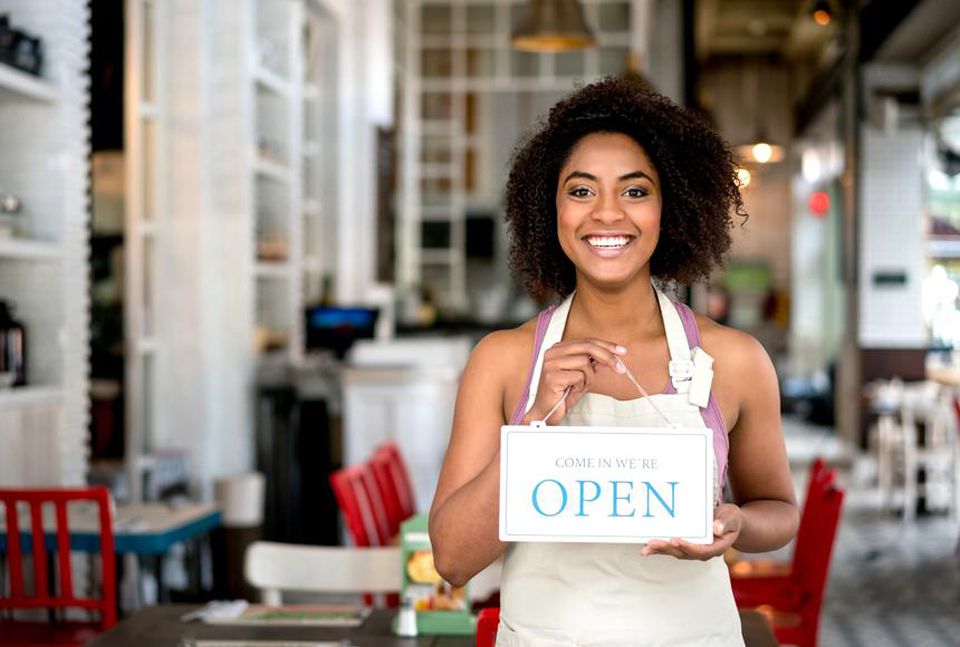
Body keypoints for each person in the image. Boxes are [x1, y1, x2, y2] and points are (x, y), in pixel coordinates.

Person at [428, 77, 799, 646]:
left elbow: (778, 510)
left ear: (668, 207)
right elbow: (452, 559)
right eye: (580, 191)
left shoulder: (736, 360)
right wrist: (534, 425)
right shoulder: (503, 362)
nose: (606, 214)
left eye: (634, 191)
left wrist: (738, 523)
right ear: (549, 207)